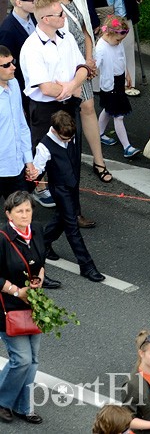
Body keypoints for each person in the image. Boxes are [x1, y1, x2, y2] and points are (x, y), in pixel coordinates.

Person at [44, 0, 113, 185]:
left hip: (83, 62)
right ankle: (62, 164)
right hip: (66, 68)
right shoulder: (51, 8)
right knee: (70, 113)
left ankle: (98, 160)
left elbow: (85, 31)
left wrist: (89, 61)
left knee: (89, 107)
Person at [20, 0, 90, 208]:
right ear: (45, 19)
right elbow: (46, 88)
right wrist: (71, 87)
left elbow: (83, 68)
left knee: (71, 158)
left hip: (69, 105)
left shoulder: (66, 36)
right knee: (39, 159)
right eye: (60, 14)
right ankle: (18, 204)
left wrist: (69, 87)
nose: (64, 17)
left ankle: (72, 209)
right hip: (45, 110)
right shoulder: (31, 48)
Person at [31, 111, 105, 282]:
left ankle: (44, 242)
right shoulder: (44, 146)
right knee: (72, 225)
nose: (68, 141)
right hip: (59, 189)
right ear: (55, 131)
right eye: (65, 139)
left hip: (72, 184)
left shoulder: (70, 134)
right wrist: (32, 176)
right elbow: (37, 170)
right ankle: (87, 266)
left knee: (62, 218)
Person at [0, 191, 46, 425]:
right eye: (19, 211)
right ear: (9, 213)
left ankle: (22, 406)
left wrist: (38, 282)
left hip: (32, 304)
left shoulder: (36, 230)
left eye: (28, 210)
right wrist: (18, 292)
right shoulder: (1, 237)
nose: (25, 214)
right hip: (7, 306)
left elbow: (41, 263)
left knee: (34, 359)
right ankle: (3, 401)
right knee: (22, 359)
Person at [95, 14, 141, 159]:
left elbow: (121, 57)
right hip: (110, 84)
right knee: (118, 115)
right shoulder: (101, 48)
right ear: (108, 33)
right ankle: (127, 147)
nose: (119, 42)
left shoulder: (117, 42)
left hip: (119, 80)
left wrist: (127, 72)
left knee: (109, 110)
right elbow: (95, 65)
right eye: (117, 40)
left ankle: (98, 133)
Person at [0, 0, 37, 123]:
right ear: (19, 3)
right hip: (24, 89)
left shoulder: (34, 17)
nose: (36, 2)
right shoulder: (7, 30)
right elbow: (6, 67)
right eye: (32, 0)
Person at [0, 45, 34, 201]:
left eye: (12, 62)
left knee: (22, 217)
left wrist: (28, 161)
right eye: (6, 65)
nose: (13, 67)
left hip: (16, 168)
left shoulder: (14, 84)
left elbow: (22, 125)